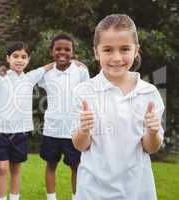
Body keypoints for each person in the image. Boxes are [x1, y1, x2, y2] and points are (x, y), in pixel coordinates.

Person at [71, 14, 165, 200]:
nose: (116, 57)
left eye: (124, 49)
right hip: (93, 191)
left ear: (136, 50)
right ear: (96, 52)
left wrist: (153, 132)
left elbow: (151, 147)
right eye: (108, 50)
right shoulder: (84, 91)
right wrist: (84, 129)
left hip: (137, 190)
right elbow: (80, 145)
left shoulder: (149, 93)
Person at [0, 41, 54, 200]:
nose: (19, 60)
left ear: (28, 60)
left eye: (23, 57)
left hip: (20, 131)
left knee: (16, 169)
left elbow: (48, 67)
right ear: (8, 58)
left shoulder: (30, 78)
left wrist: (72, 61)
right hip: (0, 131)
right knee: (2, 168)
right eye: (15, 56)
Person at [38, 33, 90, 200]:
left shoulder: (81, 71)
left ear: (73, 52)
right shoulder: (46, 74)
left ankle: (76, 197)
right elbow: (27, 78)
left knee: (76, 166)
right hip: (52, 129)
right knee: (51, 164)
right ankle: (51, 198)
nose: (63, 52)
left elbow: (87, 95)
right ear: (51, 51)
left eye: (67, 49)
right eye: (58, 49)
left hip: (74, 130)